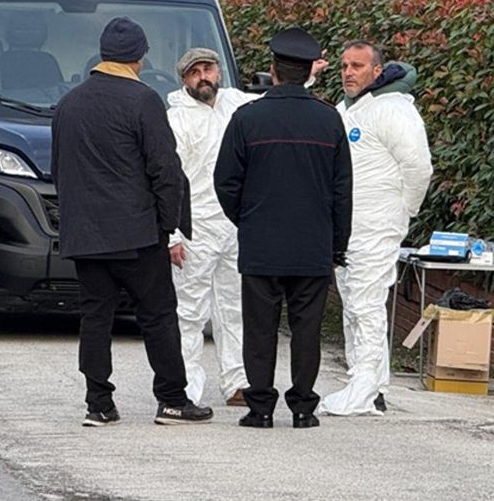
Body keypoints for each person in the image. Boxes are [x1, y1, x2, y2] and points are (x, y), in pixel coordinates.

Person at [52, 17, 212, 427]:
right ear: (140, 57)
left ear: (102, 54)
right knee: (158, 316)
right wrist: (168, 227)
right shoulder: (143, 101)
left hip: (85, 234)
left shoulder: (69, 103)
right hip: (137, 233)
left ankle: (98, 404)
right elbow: (165, 170)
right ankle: (173, 399)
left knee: (95, 318)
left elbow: (59, 170)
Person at [214, 27, 353, 429]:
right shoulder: (329, 120)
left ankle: (260, 408)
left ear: (273, 70)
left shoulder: (247, 117)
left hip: (261, 244)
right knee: (306, 330)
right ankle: (304, 408)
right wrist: (336, 243)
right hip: (312, 245)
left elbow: (225, 182)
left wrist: (248, 219)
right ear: (310, 71)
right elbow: (343, 190)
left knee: (260, 329)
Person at [320, 41, 432, 416]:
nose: (349, 72)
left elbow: (418, 168)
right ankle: (368, 383)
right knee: (353, 303)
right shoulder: (346, 109)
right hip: (346, 229)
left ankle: (365, 388)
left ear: (377, 71)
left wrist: (403, 212)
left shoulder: (394, 110)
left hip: (377, 226)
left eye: (357, 66)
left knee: (366, 304)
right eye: (344, 66)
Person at [166, 48, 254, 407]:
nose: (203, 77)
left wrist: (306, 76)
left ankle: (238, 381)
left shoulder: (235, 103)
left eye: (208, 69)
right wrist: (171, 234)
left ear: (219, 71)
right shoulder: (176, 119)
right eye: (195, 72)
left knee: (233, 307)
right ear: (184, 79)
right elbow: (169, 181)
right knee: (190, 311)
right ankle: (185, 386)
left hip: (234, 224)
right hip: (195, 226)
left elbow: (273, 101)